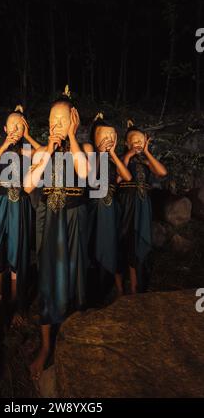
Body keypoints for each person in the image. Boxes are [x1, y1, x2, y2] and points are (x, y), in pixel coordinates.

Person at [24, 88, 91, 381]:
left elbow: (86, 174)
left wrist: (72, 137)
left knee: (74, 275)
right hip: (49, 221)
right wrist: (49, 150)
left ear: (75, 121)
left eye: (63, 119)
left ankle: (72, 339)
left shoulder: (84, 148)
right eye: (52, 119)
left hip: (73, 220)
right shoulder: (42, 150)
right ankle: (46, 345)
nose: (56, 125)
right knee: (49, 277)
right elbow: (28, 186)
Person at [0, 106, 40, 325]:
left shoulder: (27, 150)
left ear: (25, 128)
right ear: (5, 128)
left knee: (19, 251)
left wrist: (27, 137)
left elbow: (44, 153)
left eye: (20, 125)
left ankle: (17, 303)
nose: (15, 129)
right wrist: (6, 144)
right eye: (12, 125)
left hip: (21, 205)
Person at [117, 120, 167, 295]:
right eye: (134, 140)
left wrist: (146, 152)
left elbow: (162, 172)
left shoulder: (147, 162)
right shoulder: (122, 159)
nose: (137, 143)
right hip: (128, 203)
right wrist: (129, 155)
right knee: (128, 239)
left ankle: (138, 285)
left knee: (142, 239)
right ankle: (128, 286)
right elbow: (118, 177)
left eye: (141, 140)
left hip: (143, 203)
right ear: (126, 143)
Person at [88, 112, 132, 300]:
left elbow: (127, 177)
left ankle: (120, 289)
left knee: (113, 245)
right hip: (94, 208)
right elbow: (90, 178)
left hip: (112, 207)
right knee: (93, 244)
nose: (108, 140)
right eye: (104, 137)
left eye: (112, 137)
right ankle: (94, 289)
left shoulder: (115, 159)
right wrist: (99, 153)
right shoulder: (91, 155)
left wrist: (112, 153)